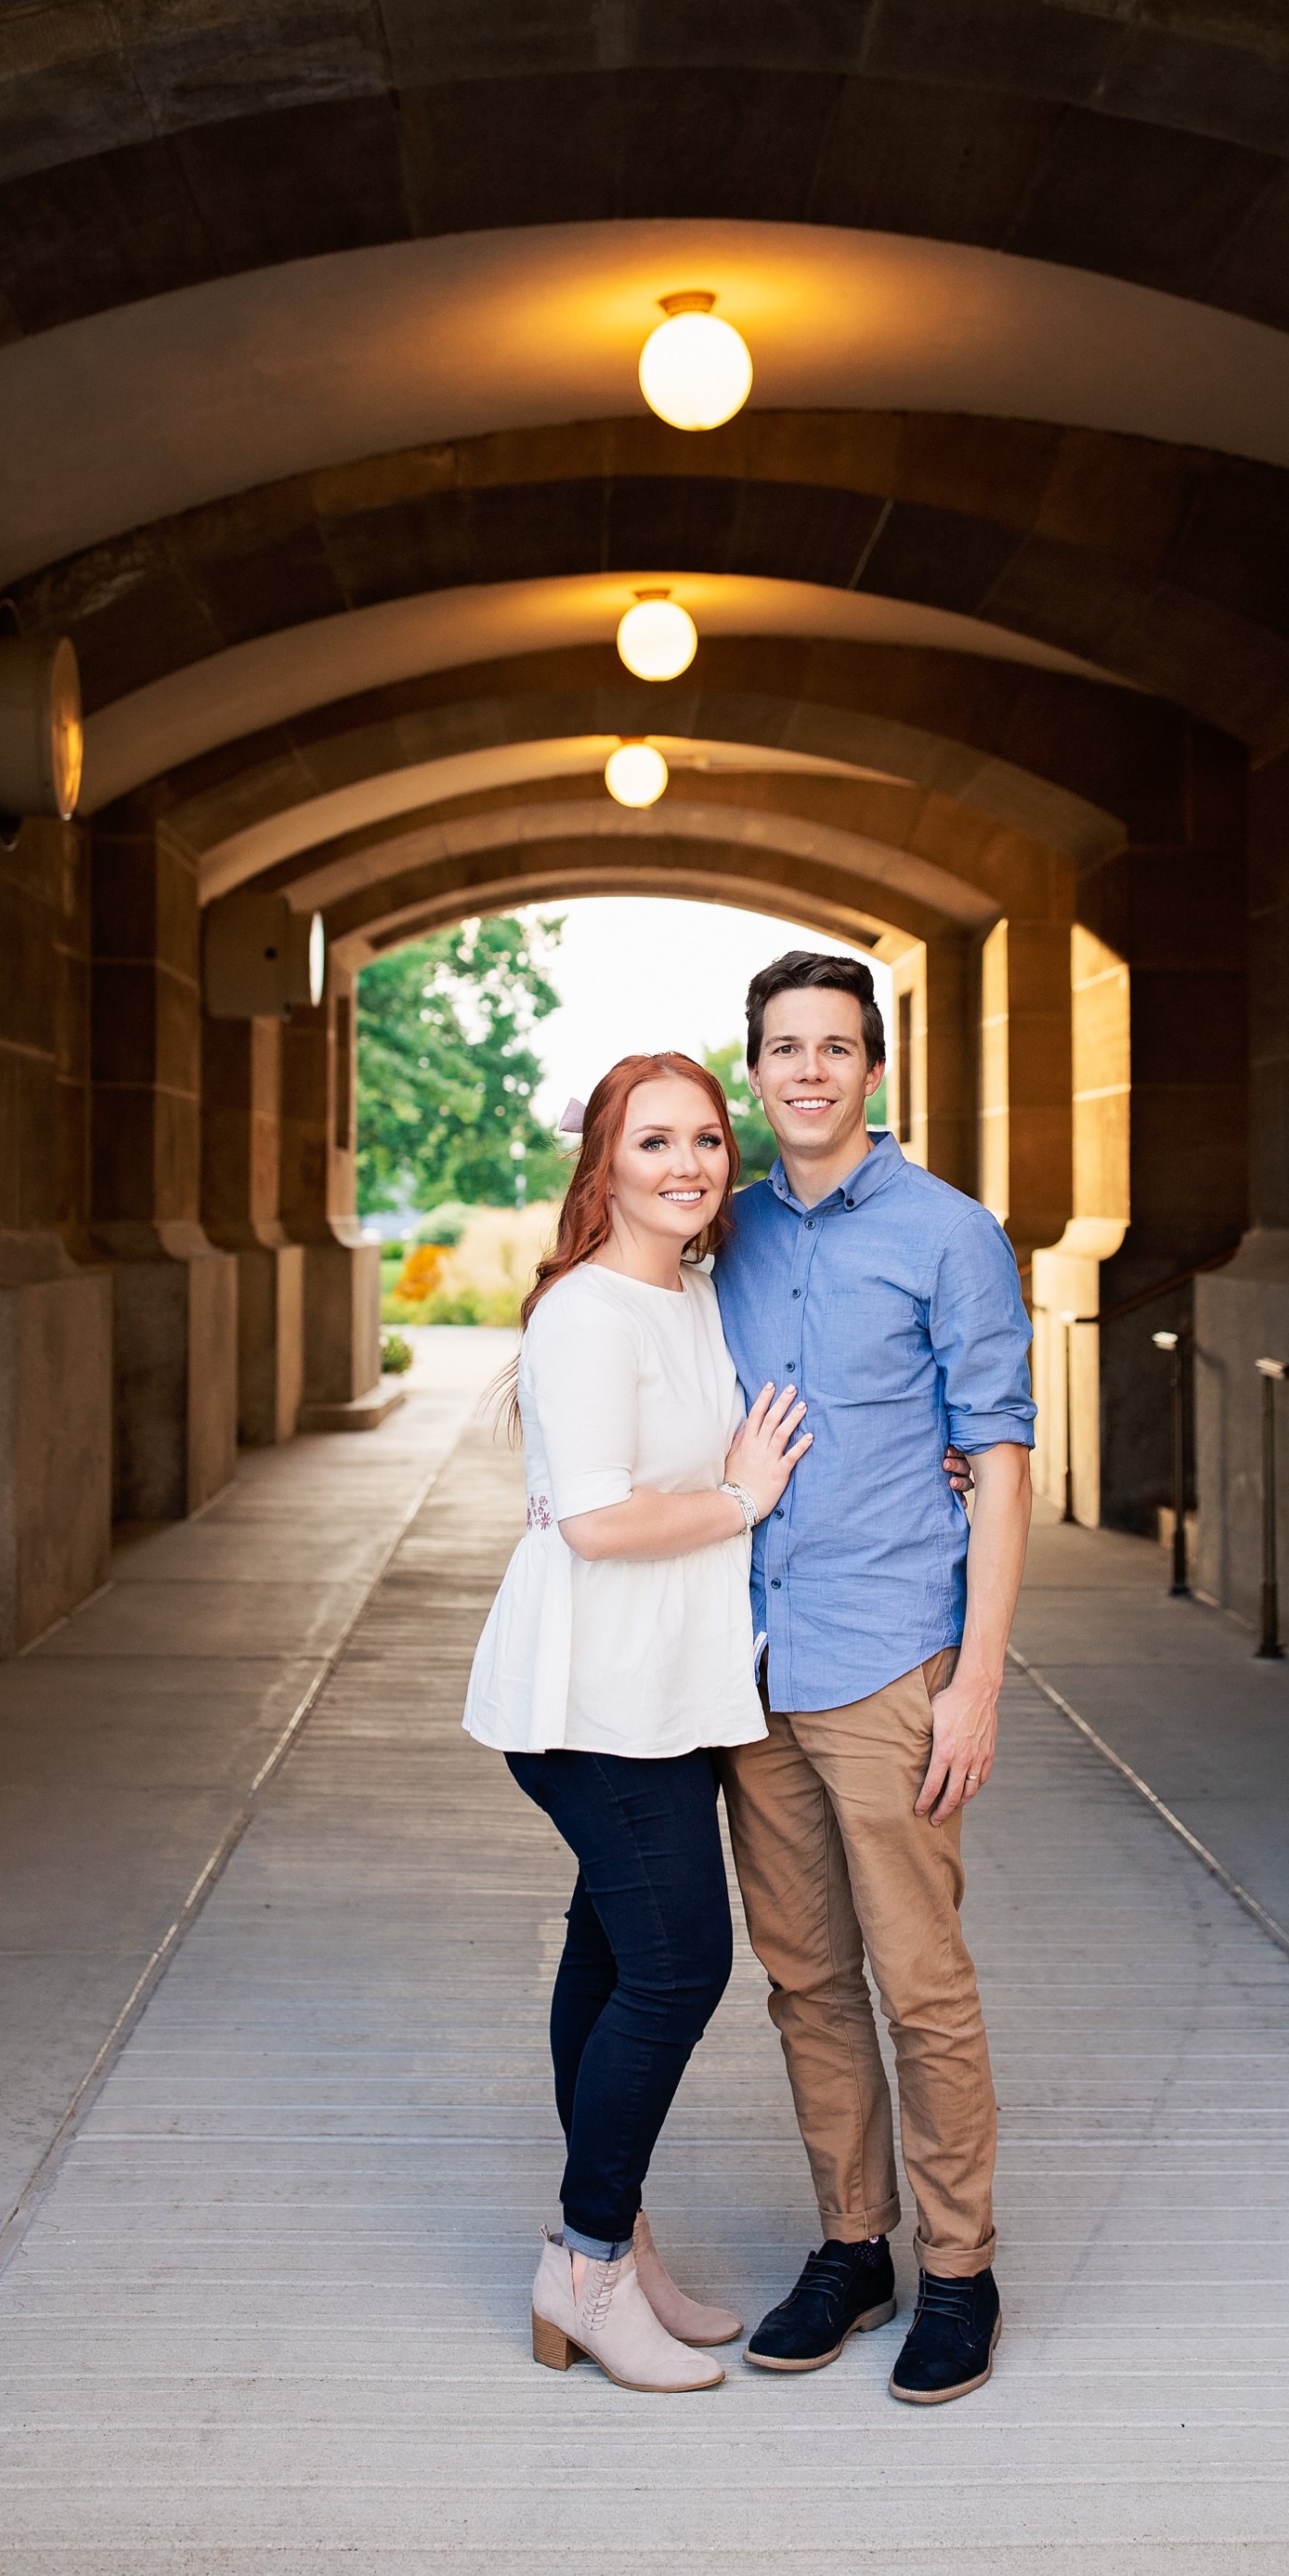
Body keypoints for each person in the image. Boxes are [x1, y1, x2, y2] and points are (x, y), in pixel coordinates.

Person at [713, 951, 1035, 2406]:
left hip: (890, 1656)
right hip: (751, 1660)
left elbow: (1006, 1458)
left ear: (873, 1066)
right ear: (757, 1067)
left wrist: (976, 1681)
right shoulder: (722, 1233)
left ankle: (959, 2268)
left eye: (835, 1046)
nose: (808, 1071)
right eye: (784, 1047)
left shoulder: (951, 1234)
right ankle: (856, 2244)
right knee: (802, 1977)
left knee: (921, 1983)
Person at [462, 1051, 812, 2395]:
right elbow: (601, 1522)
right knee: (677, 1964)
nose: (688, 1162)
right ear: (602, 1159)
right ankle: (586, 2261)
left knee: (611, 1959)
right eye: (653, 1139)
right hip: (590, 1697)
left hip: (666, 1687)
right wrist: (740, 1498)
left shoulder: (695, 1293)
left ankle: (617, 2239)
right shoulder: (588, 1316)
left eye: (707, 1139)